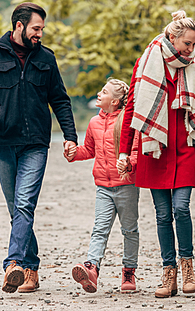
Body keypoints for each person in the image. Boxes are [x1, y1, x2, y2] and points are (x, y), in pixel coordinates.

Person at [0, 2, 78, 294]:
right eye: (36, 28)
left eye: (42, 29)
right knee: (16, 209)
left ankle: (13, 264)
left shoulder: (46, 58)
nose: (40, 33)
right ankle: (32, 268)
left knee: (25, 203)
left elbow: (60, 100)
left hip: (37, 142)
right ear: (19, 26)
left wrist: (70, 136)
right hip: (3, 142)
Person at [117, 10, 195, 298]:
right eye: (187, 44)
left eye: (194, 44)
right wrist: (124, 151)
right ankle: (168, 273)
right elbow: (132, 111)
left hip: (185, 148)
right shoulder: (147, 62)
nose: (191, 50)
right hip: (155, 149)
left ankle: (187, 267)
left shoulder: (191, 68)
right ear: (172, 38)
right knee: (162, 215)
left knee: (181, 208)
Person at [65, 79, 140, 293]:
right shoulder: (93, 123)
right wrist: (73, 153)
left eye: (104, 92)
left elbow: (136, 153)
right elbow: (88, 150)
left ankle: (129, 272)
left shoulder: (128, 122)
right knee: (99, 229)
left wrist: (129, 163)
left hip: (126, 185)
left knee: (129, 230)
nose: (99, 93)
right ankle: (92, 269)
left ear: (115, 101)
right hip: (103, 187)